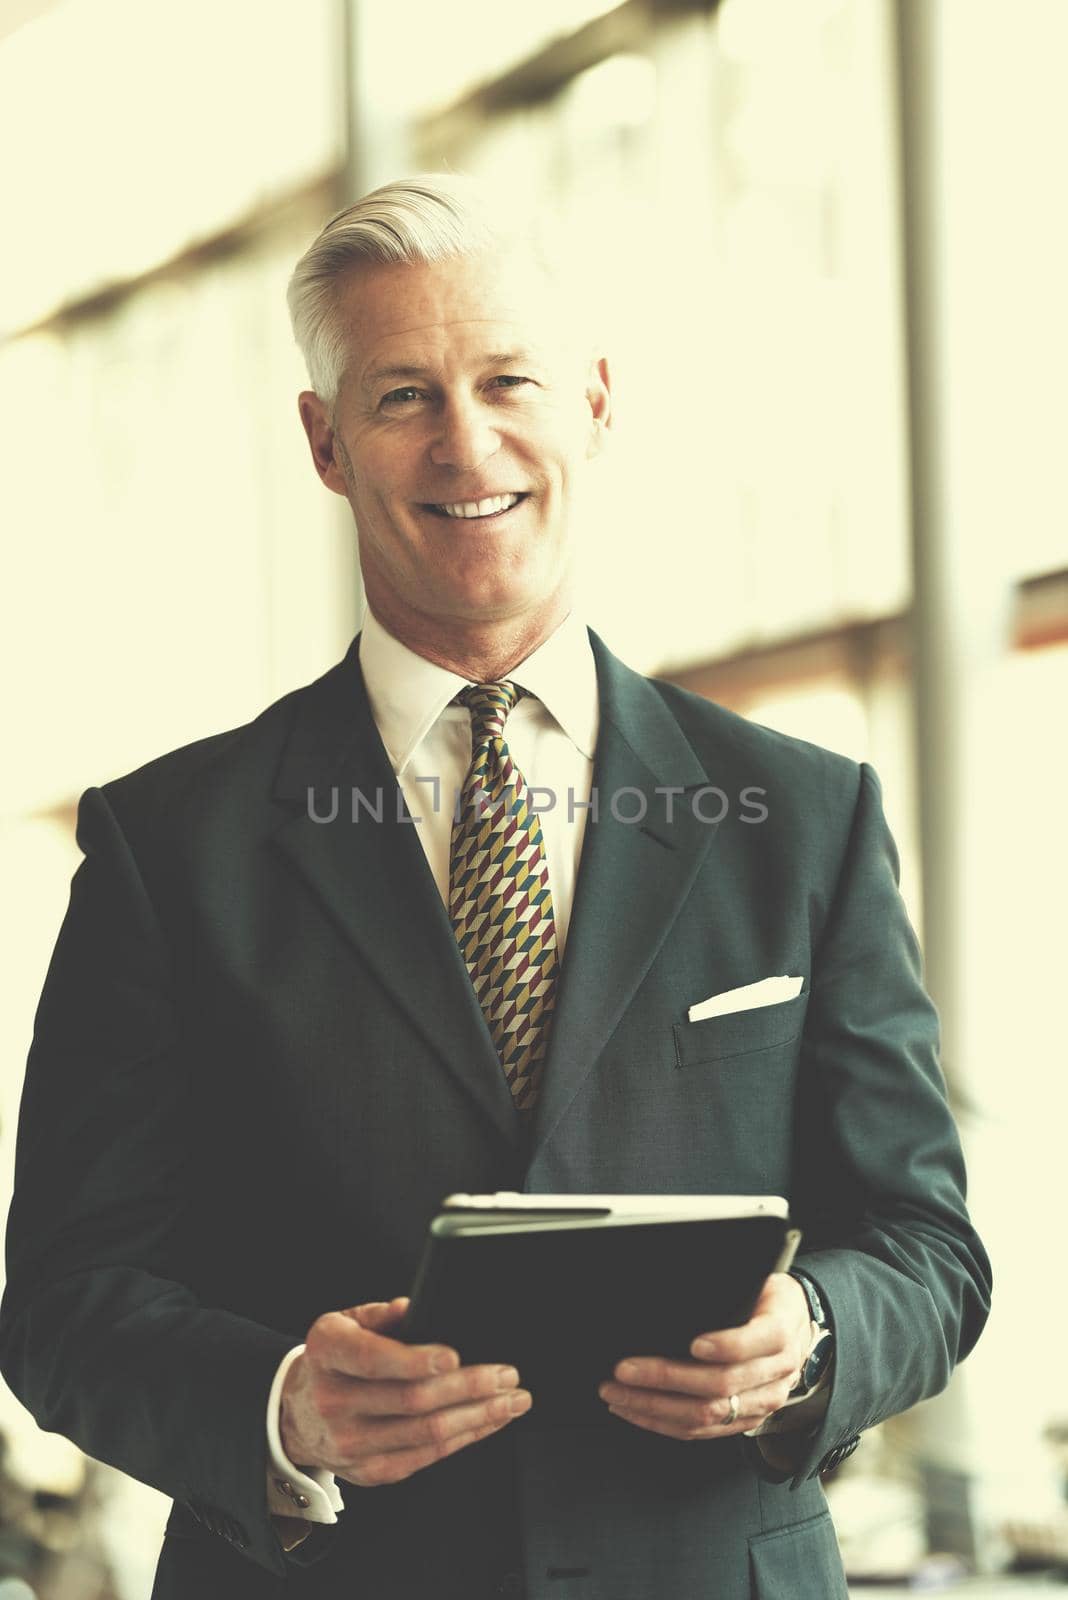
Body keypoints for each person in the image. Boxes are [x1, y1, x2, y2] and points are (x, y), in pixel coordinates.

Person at [0, 174, 990, 1600]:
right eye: (401, 395)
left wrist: (815, 1336)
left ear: (594, 402)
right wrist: (279, 1404)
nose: (468, 443)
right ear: (326, 441)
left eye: (506, 379)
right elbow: (68, 1302)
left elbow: (927, 1244)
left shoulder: (803, 818)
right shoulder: (170, 843)